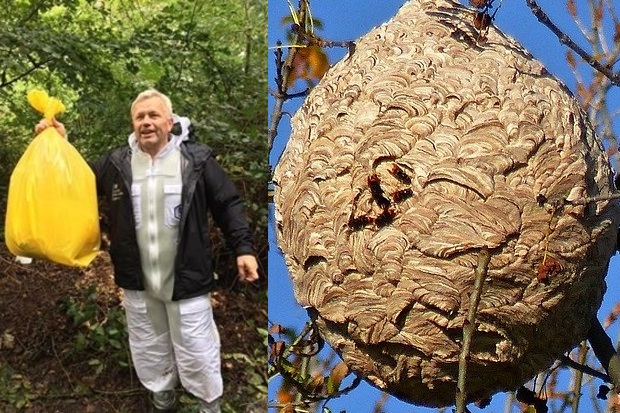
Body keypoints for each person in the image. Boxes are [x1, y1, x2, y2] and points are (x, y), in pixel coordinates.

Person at [36, 89, 259, 413]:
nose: (146, 122)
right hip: (137, 280)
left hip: (188, 278)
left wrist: (243, 248)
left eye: (153, 115)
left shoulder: (195, 159)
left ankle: (208, 403)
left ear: (169, 121)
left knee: (197, 348)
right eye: (140, 117)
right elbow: (76, 182)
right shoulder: (116, 163)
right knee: (148, 346)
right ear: (132, 123)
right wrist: (59, 143)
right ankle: (162, 396)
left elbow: (227, 203)